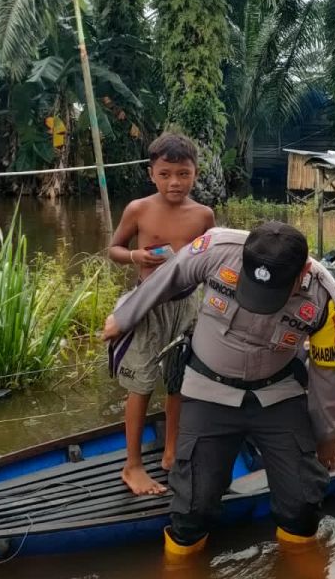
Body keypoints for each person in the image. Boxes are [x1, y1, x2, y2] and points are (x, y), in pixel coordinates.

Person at [102, 222, 335, 559]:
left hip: (277, 394)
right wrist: (125, 315)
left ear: (302, 271)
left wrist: (328, 435)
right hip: (208, 391)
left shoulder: (326, 298)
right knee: (192, 509)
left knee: (303, 501)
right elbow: (170, 274)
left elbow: (329, 372)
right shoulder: (216, 249)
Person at [106, 133, 216, 496]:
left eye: (183, 174)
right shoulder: (139, 209)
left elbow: (213, 259)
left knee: (180, 380)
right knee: (140, 383)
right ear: (151, 173)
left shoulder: (203, 215)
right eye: (166, 174)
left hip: (187, 304)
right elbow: (114, 249)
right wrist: (137, 257)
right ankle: (132, 465)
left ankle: (171, 451)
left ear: (195, 174)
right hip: (148, 305)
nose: (174, 182)